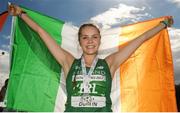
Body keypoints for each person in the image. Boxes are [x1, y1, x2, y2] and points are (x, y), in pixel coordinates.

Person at [8, 4, 173, 112]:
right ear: (79, 41)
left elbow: (140, 39)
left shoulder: (109, 63)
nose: (90, 41)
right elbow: (41, 32)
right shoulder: (68, 62)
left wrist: (162, 24)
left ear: (100, 40)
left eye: (94, 37)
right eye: (85, 37)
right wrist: (21, 14)